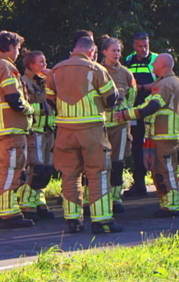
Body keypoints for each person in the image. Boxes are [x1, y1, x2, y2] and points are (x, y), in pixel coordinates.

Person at [46, 36, 123, 234]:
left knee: (70, 176)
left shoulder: (55, 71)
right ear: (91, 52)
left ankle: (73, 221)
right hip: (92, 131)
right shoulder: (96, 69)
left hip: (64, 131)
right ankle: (102, 220)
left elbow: (50, 100)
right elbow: (112, 97)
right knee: (97, 174)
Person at [115, 53, 179, 217]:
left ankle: (171, 206)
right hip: (167, 134)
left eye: (155, 64)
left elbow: (151, 106)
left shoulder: (165, 84)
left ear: (162, 65)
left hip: (164, 134)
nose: (152, 66)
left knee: (165, 171)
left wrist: (127, 114)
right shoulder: (172, 82)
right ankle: (167, 204)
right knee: (164, 170)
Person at [0, 30, 35, 228]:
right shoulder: (6, 67)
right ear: (10, 47)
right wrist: (30, 109)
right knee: (12, 170)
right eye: (18, 48)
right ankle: (9, 213)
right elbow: (14, 99)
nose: (19, 53)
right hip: (11, 127)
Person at [16, 50, 56, 221]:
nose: (44, 65)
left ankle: (39, 202)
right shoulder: (24, 82)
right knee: (36, 169)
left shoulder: (46, 81)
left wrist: (52, 77)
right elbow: (25, 105)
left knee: (46, 170)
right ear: (31, 65)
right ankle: (27, 205)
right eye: (41, 62)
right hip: (35, 131)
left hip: (48, 130)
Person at [101, 36, 137, 214]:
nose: (116, 54)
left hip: (120, 125)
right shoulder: (97, 71)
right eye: (113, 50)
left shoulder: (126, 73)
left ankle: (115, 198)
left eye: (118, 50)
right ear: (104, 52)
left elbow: (132, 96)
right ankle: (99, 197)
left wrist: (126, 112)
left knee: (118, 162)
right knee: (99, 163)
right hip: (100, 126)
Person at [122, 32, 158, 197]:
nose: (143, 50)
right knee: (137, 146)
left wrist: (141, 88)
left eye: (146, 46)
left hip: (152, 109)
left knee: (155, 146)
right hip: (134, 109)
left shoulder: (156, 60)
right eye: (140, 46)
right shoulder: (128, 60)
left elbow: (161, 83)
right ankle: (139, 182)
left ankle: (160, 181)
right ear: (134, 46)